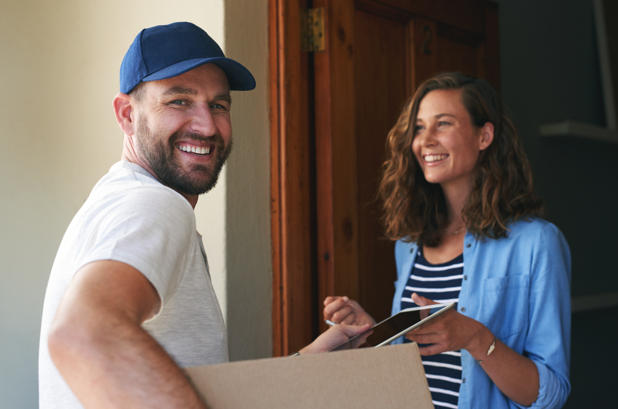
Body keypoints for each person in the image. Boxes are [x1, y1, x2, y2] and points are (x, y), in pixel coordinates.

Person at [38, 22, 369, 409]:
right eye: (179, 101)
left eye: (218, 105)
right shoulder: (156, 205)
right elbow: (82, 333)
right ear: (127, 114)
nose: (207, 125)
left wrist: (310, 363)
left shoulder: (120, 199)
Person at [324, 72, 571, 409]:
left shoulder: (538, 243)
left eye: (443, 124)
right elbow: (414, 369)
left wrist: (474, 337)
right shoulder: (409, 245)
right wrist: (373, 332)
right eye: (419, 127)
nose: (425, 140)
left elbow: (551, 394)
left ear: (484, 135)